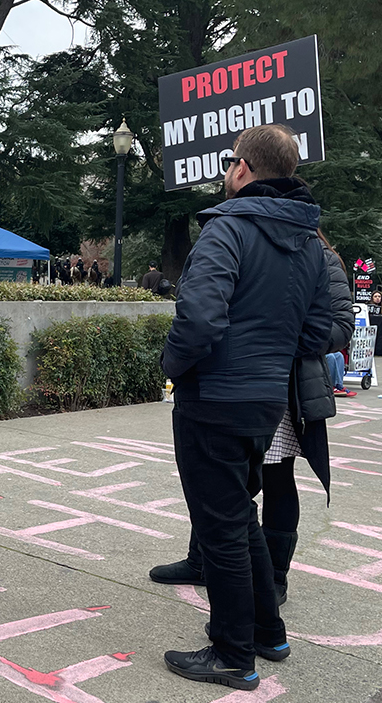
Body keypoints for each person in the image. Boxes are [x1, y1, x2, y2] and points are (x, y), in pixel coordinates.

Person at [157, 124, 332, 691]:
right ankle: (267, 631)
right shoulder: (309, 241)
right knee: (238, 517)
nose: (226, 171)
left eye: (230, 162)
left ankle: (232, 653)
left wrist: (173, 366)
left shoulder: (226, 228)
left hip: (214, 397)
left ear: (244, 169)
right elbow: (318, 330)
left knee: (222, 527)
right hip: (266, 401)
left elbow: (200, 317)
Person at [152, 229, 354, 606]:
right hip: (240, 379)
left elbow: (341, 328)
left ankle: (274, 578)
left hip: (286, 384)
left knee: (277, 477)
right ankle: (202, 560)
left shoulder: (320, 257)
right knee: (221, 481)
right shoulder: (249, 245)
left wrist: (276, 336)